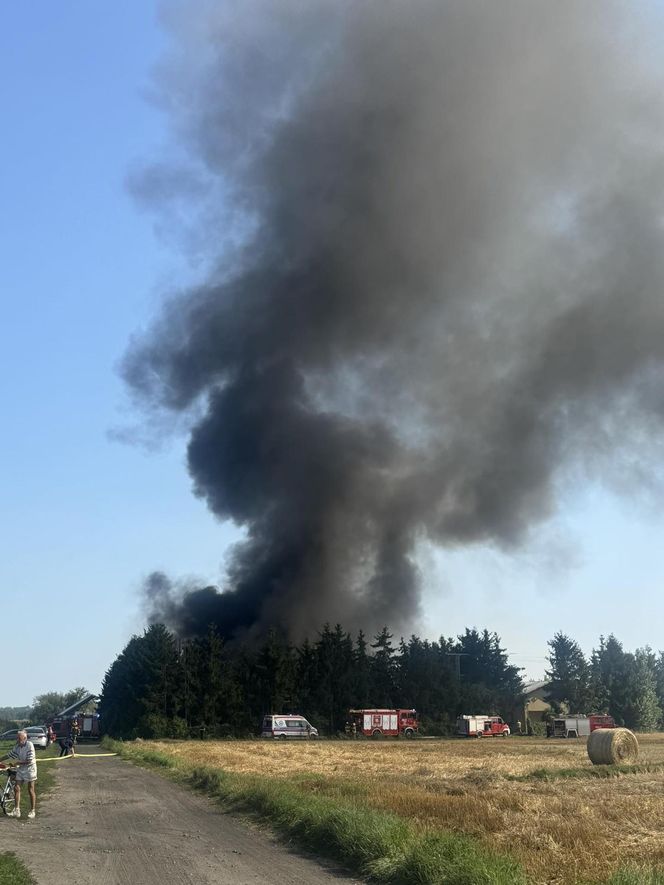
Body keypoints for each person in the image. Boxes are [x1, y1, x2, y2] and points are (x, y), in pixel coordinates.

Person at [0, 729, 37, 819]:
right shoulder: (17, 746)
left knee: (30, 789)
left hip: (30, 769)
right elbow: (10, 754)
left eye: (19, 738)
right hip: (21, 769)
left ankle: (32, 811)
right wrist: (0, 759)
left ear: (25, 738)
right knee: (17, 788)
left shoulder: (29, 745)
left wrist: (17, 763)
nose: (18, 740)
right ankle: (17, 810)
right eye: (17, 738)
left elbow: (29, 760)